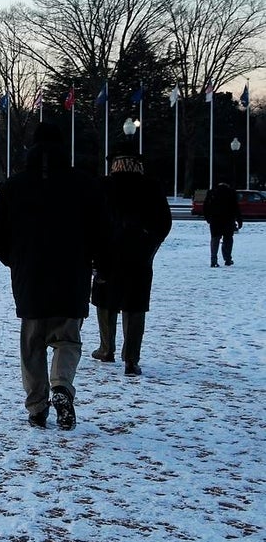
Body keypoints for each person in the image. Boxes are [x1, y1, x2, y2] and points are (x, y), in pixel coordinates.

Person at [0, 122, 106, 431]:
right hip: (72, 275)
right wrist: (92, 262)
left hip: (30, 276)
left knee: (32, 344)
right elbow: (102, 232)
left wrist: (17, 263)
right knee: (68, 339)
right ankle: (62, 387)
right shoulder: (84, 184)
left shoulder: (14, 187)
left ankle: (37, 406)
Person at [90, 147, 172, 377]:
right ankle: (131, 359)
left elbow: (91, 220)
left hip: (107, 254)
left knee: (105, 302)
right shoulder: (151, 186)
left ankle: (107, 348)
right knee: (135, 306)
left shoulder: (103, 185)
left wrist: (95, 250)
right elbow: (164, 223)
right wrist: (149, 243)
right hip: (139, 256)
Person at [203, 182, 243, 267]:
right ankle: (227, 259)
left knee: (215, 239)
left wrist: (208, 218)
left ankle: (213, 259)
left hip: (215, 220)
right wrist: (239, 220)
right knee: (228, 239)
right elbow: (236, 207)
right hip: (228, 220)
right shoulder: (231, 192)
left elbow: (206, 206)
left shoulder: (212, 192)